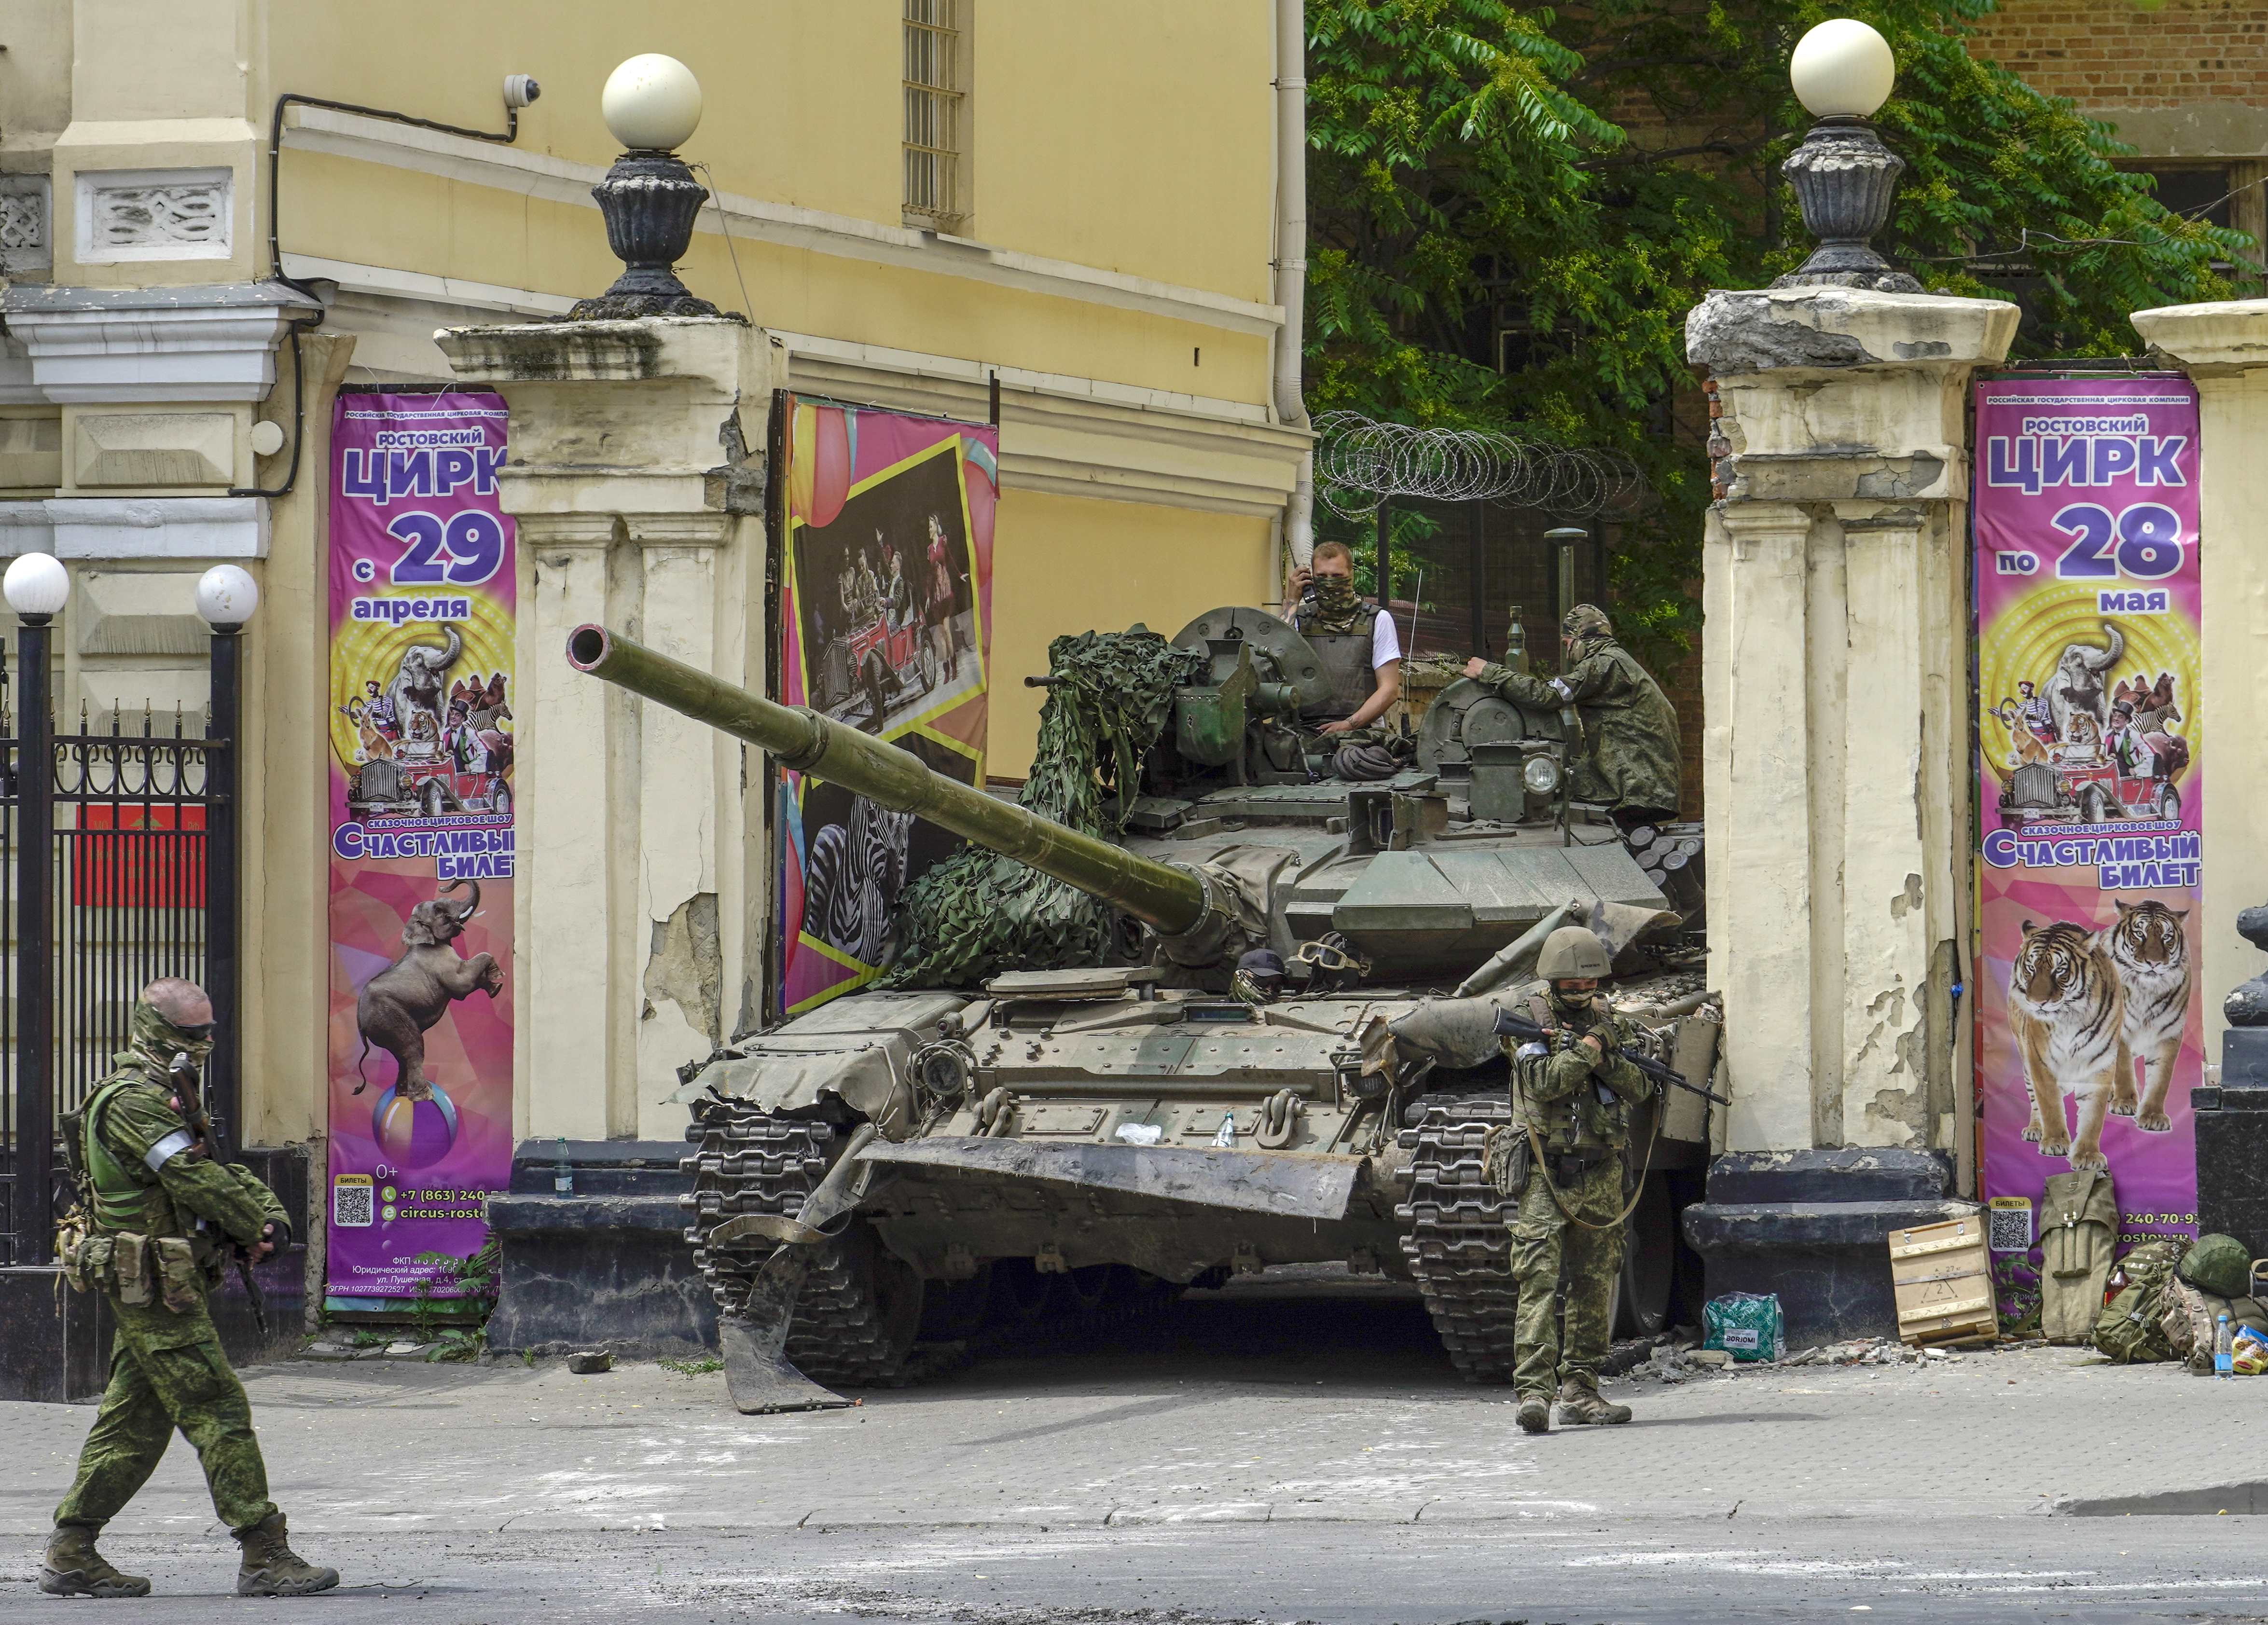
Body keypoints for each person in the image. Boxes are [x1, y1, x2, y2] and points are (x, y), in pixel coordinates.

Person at [41, 979, 339, 1598]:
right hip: (151, 1285)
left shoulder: (170, 1094)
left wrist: (265, 1215)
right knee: (218, 1407)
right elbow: (188, 1174)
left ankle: (71, 1551)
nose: (204, 1043)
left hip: (166, 1281)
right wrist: (250, 1223)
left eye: (209, 1031)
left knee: (133, 1423)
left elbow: (217, 1166)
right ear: (152, 1028)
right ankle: (264, 1551)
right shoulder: (131, 1102)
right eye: (191, 1033)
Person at [1501, 926, 1651, 1434]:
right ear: (1553, 982)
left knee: (1594, 1281)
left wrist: (1604, 1050)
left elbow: (1638, 1086)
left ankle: (1581, 1389)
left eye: (1589, 987)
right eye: (1571, 987)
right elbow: (1542, 1082)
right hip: (1547, 1171)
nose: (1583, 994)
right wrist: (1589, 1047)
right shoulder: (1528, 1020)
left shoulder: (1608, 1021)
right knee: (1538, 1279)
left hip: (1602, 1168)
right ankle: (1534, 1393)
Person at [1463, 603, 1680, 828]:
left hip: (1634, 786)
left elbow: (1547, 696)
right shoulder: (1619, 661)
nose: (1567, 653)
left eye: (1568, 644)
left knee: (1553, 788)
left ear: (1582, 638)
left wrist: (1488, 671)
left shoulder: (1603, 664)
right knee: (1561, 780)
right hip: (1645, 783)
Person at [1281, 541, 1402, 738]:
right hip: (1304, 731)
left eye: (1337, 576)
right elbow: (1277, 654)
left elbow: (1389, 690)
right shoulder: (1300, 620)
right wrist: (1292, 601)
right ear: (1311, 579)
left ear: (1351, 576)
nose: (1329, 583)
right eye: (1321, 576)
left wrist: (1349, 725)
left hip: (1362, 733)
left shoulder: (1378, 620)